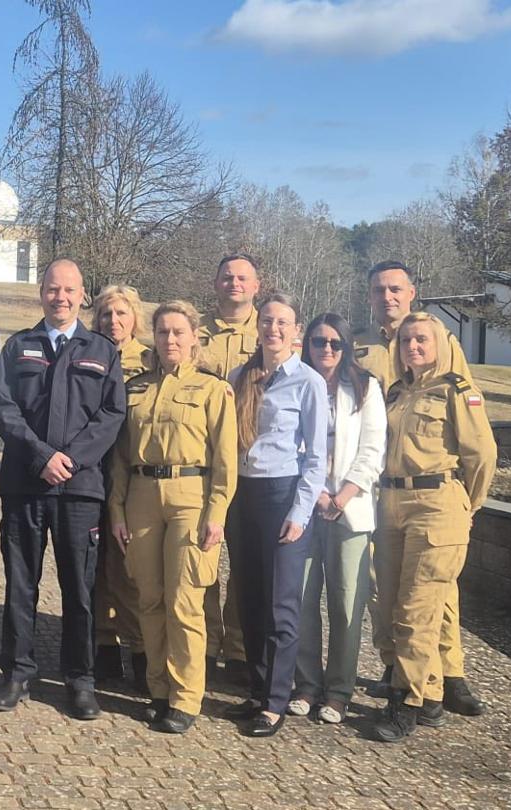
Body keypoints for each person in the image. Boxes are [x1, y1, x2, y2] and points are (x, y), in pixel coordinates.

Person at [0, 259, 128, 721]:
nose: (60, 297)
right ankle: (16, 673)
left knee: (80, 590)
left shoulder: (102, 351)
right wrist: (40, 456)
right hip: (26, 484)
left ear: (82, 294)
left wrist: (71, 460)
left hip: (80, 490)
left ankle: (80, 679)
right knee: (20, 585)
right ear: (40, 293)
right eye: (51, 289)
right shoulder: (18, 347)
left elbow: (111, 415)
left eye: (68, 290)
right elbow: (2, 408)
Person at [354, 260, 484, 716]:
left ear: (412, 293)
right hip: (381, 484)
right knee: (384, 587)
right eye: (377, 290)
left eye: (395, 289)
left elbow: (471, 429)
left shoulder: (439, 339)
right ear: (369, 297)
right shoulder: (360, 347)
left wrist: (465, 498)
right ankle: (396, 667)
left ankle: (449, 674)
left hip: (433, 490)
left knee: (434, 589)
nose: (386, 297)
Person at [111, 300, 237, 734]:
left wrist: (216, 512)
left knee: (185, 601)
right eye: (163, 332)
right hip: (142, 496)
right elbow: (121, 457)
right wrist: (117, 510)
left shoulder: (211, 389)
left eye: (178, 332)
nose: (170, 340)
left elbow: (225, 459)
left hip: (191, 495)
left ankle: (186, 697)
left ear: (194, 338)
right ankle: (159, 689)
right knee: (148, 598)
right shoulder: (138, 387)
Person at [372, 313, 497, 742]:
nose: (413, 347)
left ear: (440, 343)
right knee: (388, 605)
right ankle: (430, 695)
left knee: (416, 611)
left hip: (436, 505)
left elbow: (481, 456)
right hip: (390, 504)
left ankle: (403, 702)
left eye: (421, 339)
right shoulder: (396, 392)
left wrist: (467, 505)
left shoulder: (456, 391)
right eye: (406, 340)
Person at [221, 293, 329, 738]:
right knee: (248, 597)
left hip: (283, 494)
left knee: (281, 603)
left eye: (283, 322)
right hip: (242, 495)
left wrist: (301, 512)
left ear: (295, 330)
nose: (274, 329)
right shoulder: (239, 377)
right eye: (267, 321)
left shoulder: (307, 382)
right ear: (257, 326)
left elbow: (317, 457)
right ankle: (258, 688)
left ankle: (277, 700)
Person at [291, 313, 385, 726]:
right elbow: (288, 445)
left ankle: (340, 690)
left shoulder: (365, 388)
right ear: (306, 345)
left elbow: (372, 451)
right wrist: (316, 496)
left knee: (347, 603)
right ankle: (307, 684)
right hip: (307, 508)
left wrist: (342, 496)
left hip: (350, 511)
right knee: (303, 599)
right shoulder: (296, 383)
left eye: (334, 343)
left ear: (346, 347)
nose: (325, 349)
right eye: (317, 342)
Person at [90, 284, 155, 690]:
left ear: (135, 317)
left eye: (121, 314)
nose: (113, 322)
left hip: (132, 475)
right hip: (90, 470)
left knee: (130, 565)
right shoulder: (86, 353)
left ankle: (141, 648)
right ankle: (102, 643)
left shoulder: (149, 361)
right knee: (94, 565)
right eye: (105, 315)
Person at [198, 254, 260, 672]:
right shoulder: (195, 332)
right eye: (226, 277)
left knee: (244, 563)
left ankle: (238, 649)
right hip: (201, 465)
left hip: (252, 467)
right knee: (201, 558)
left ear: (256, 285)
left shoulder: (274, 330)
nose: (233, 283)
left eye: (242, 278)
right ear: (216, 283)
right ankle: (204, 645)